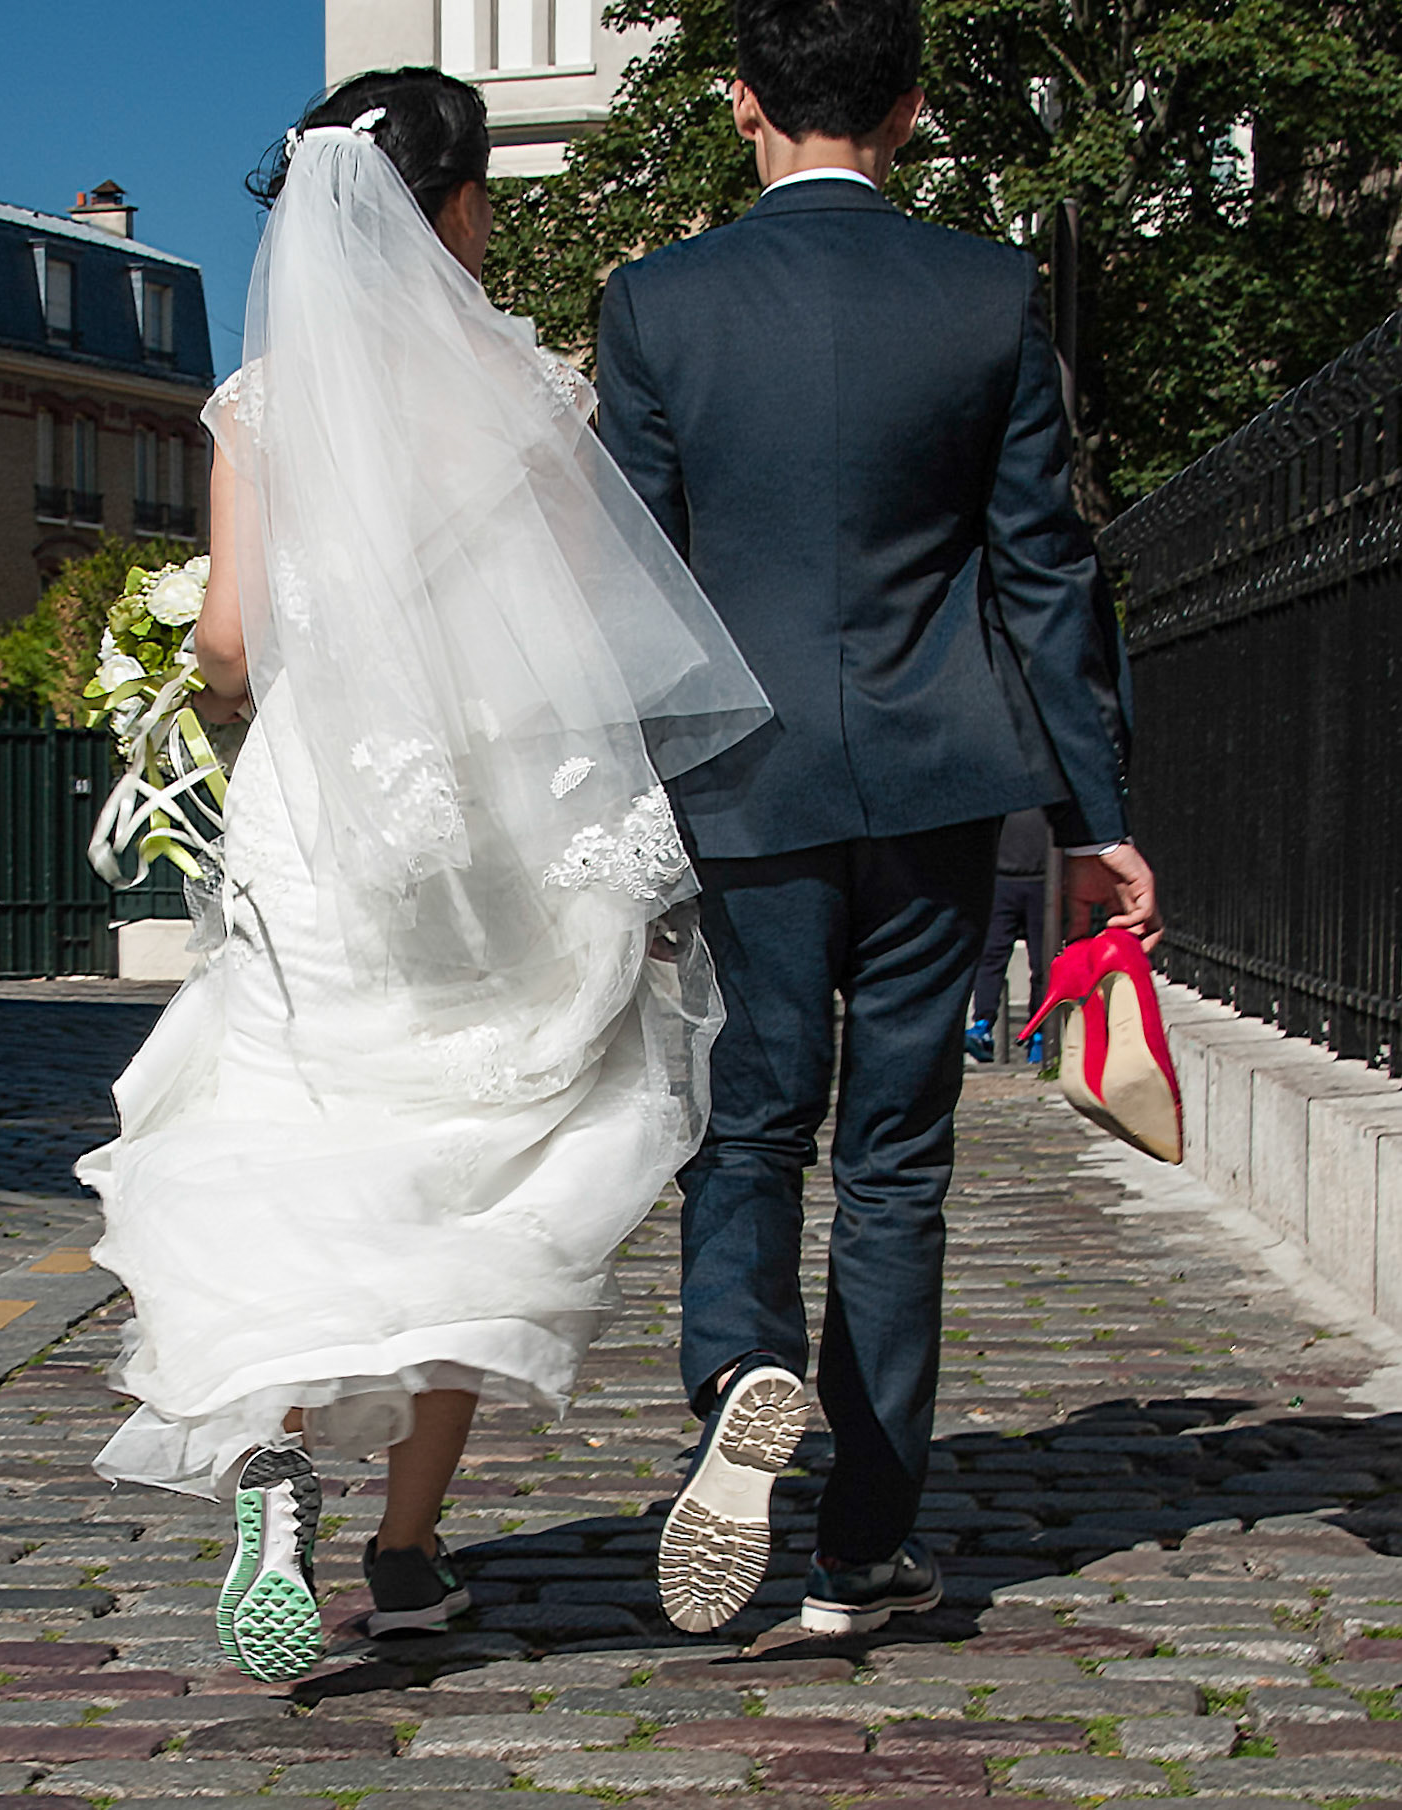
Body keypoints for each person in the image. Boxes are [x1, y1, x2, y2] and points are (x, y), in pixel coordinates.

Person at [75, 68, 768, 1683]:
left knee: (292, 1134)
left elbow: (230, 643)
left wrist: (234, 698)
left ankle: (272, 1442)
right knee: (492, 1162)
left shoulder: (260, 408)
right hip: (505, 825)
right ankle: (403, 1550)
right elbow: (593, 636)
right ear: (459, 206)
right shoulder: (529, 389)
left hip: (326, 822)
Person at [597, 0, 1161, 1637]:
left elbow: (626, 578)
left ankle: (738, 1367)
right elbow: (1045, 572)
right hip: (937, 780)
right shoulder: (984, 292)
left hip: (740, 786)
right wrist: (1094, 814)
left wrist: (614, 798)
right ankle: (861, 1549)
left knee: (749, 1126)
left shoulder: (658, 302)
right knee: (898, 1160)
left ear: (740, 104)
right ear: (910, 112)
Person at [965, 808, 1049, 1065]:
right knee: (991, 955)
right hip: (1002, 878)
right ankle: (982, 1025)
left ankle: (1039, 1033)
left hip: (1044, 880)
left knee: (1043, 963)